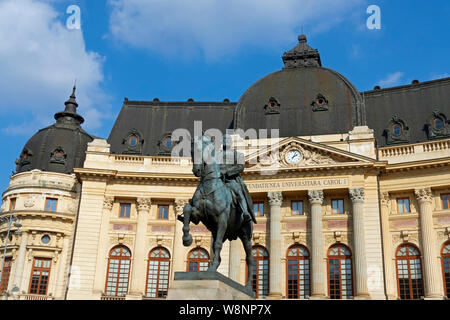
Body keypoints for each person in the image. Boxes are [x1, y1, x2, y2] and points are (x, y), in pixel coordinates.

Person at [218, 134, 256, 224]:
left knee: (238, 193)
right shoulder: (216, 155)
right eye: (224, 140)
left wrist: (227, 172)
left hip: (230, 179)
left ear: (231, 143)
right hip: (217, 179)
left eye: (227, 140)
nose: (225, 141)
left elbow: (240, 167)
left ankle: (245, 213)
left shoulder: (238, 155)